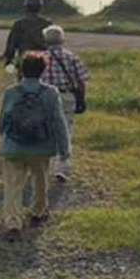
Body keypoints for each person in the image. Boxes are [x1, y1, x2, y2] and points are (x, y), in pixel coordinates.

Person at [0, 51, 70, 240]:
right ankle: (38, 212)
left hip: (14, 146)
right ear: (43, 70)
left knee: (13, 185)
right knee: (40, 180)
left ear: (21, 70)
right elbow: (58, 122)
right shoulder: (50, 93)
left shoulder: (11, 92)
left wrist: (5, 138)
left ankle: (12, 223)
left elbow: (2, 121)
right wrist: (64, 149)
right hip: (41, 146)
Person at [39, 25, 89, 182]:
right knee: (66, 130)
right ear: (62, 40)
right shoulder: (72, 57)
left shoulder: (40, 58)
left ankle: (43, 164)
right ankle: (63, 166)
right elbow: (81, 81)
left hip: (46, 97)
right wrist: (81, 99)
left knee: (45, 130)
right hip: (66, 96)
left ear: (45, 40)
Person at [3, 0, 52, 74]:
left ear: (26, 7)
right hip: (43, 63)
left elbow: (11, 45)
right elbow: (52, 45)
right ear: (40, 7)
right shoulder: (47, 24)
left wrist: (8, 62)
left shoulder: (18, 24)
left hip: (24, 64)